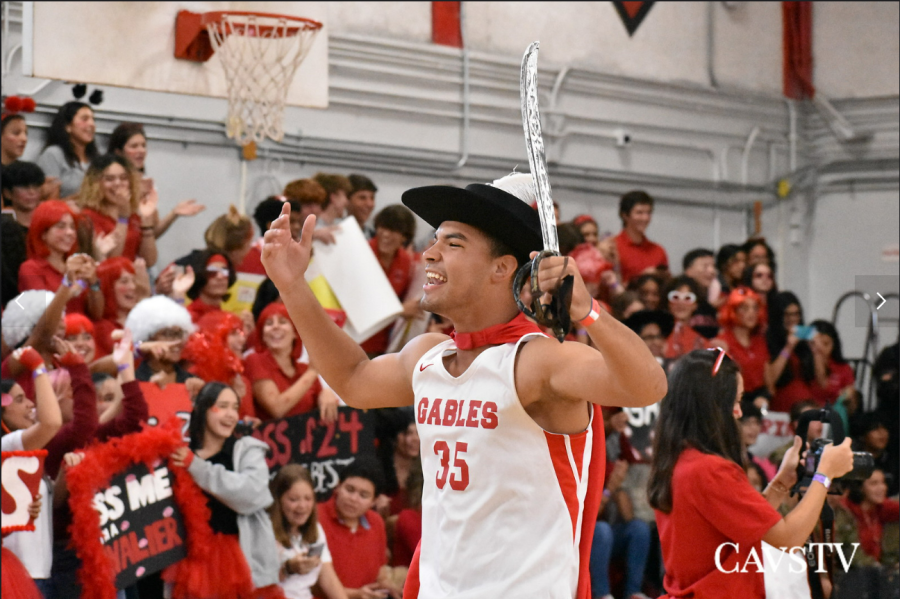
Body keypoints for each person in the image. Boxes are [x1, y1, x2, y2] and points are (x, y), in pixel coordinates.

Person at [260, 173, 667, 598]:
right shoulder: (428, 355)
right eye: (434, 241)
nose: (429, 254)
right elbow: (353, 381)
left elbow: (648, 387)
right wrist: (292, 286)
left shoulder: (536, 360)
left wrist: (589, 312)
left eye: (452, 244)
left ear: (502, 268)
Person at [648, 349, 856, 597]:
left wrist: (780, 483)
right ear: (712, 405)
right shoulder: (710, 469)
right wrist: (824, 474)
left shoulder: (681, 459)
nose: (738, 412)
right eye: (735, 401)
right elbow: (787, 538)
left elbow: (744, 528)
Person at [167, 382, 282, 599]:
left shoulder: (247, 448)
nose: (231, 415)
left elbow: (253, 493)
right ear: (203, 408)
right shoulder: (182, 455)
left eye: (235, 407)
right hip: (194, 562)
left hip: (241, 559)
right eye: (222, 406)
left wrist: (198, 467)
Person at [1, 347, 63, 597]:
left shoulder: (24, 452)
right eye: (19, 400)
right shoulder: (7, 445)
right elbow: (51, 422)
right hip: (16, 574)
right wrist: (38, 368)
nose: (30, 404)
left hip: (39, 570)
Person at [107, 121, 205, 239]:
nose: (141, 150)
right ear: (118, 152)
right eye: (134, 146)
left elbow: (152, 234)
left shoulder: (147, 185)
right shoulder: (109, 185)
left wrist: (174, 213)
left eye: (143, 145)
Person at [269, 464, 348, 599]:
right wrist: (289, 568)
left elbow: (328, 579)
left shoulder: (316, 529)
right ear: (278, 500)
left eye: (308, 499)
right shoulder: (263, 531)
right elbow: (258, 582)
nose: (302, 506)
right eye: (293, 499)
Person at [317, 459, 393, 599]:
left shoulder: (376, 523)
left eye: (363, 495)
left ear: (374, 501)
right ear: (338, 486)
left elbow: (380, 571)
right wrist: (355, 594)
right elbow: (303, 582)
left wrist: (387, 585)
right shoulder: (316, 518)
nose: (353, 499)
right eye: (349, 489)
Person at [19, 200, 104, 318]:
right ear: (43, 233)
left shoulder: (77, 266)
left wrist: (94, 282)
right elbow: (42, 313)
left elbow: (97, 314)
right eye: (61, 227)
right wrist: (70, 290)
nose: (70, 233)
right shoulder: (30, 268)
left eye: (72, 227)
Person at [245, 302, 322, 421]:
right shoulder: (255, 361)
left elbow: (322, 404)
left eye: (282, 322)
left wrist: (326, 395)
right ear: (263, 335)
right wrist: (312, 373)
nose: (275, 327)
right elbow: (277, 408)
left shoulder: (304, 369)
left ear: (295, 333)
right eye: (269, 323)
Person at [76, 154, 158, 265]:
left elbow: (149, 261)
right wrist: (123, 218)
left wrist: (147, 223)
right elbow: (110, 262)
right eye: (109, 179)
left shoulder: (133, 214)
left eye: (124, 178)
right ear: (95, 183)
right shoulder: (87, 217)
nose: (118, 183)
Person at [361, 205, 420, 356]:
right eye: (382, 228)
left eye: (393, 231)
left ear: (405, 236)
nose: (386, 235)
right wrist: (399, 310)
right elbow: (357, 301)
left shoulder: (406, 261)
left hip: (384, 344)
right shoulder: (361, 253)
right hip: (354, 339)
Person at [1, 161, 46, 307]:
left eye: (36, 186)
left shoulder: (49, 226)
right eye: (24, 187)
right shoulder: (5, 229)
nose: (32, 192)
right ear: (8, 193)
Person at [712, 288, 769, 394]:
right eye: (744, 308)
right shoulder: (722, 342)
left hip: (761, 398)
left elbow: (769, 383)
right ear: (733, 311)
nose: (751, 313)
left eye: (755, 308)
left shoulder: (760, 341)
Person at [37, 102, 98, 199]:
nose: (92, 124)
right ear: (68, 126)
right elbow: (49, 204)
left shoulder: (96, 159)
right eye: (84, 119)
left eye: (93, 119)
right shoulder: (54, 154)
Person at [842, 468, 899, 566]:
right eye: (874, 483)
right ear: (860, 487)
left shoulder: (881, 507)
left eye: (883, 482)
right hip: (852, 570)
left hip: (879, 570)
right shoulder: (847, 510)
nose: (882, 488)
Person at [614, 191, 668, 284]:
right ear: (625, 215)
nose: (645, 218)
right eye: (639, 213)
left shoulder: (658, 251)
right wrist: (642, 278)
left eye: (648, 213)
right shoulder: (613, 247)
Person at [661, 275, 707, 361]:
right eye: (675, 297)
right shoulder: (658, 335)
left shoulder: (703, 342)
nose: (681, 303)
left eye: (687, 298)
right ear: (668, 303)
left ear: (696, 305)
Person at [809, 320, 856, 405]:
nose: (820, 348)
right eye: (814, 344)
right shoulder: (801, 363)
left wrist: (846, 394)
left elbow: (849, 391)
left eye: (826, 344)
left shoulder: (843, 367)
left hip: (832, 411)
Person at [185, 250, 235, 323]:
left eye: (225, 272)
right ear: (200, 276)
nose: (220, 276)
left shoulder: (226, 319)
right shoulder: (188, 317)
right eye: (212, 272)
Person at [680, 248, 718, 339]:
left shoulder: (716, 302)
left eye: (713, 266)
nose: (712, 271)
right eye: (705, 266)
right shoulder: (679, 300)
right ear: (688, 271)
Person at [348, 174, 378, 238]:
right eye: (362, 198)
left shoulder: (374, 238)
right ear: (347, 200)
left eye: (372, 198)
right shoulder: (331, 234)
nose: (369, 204)